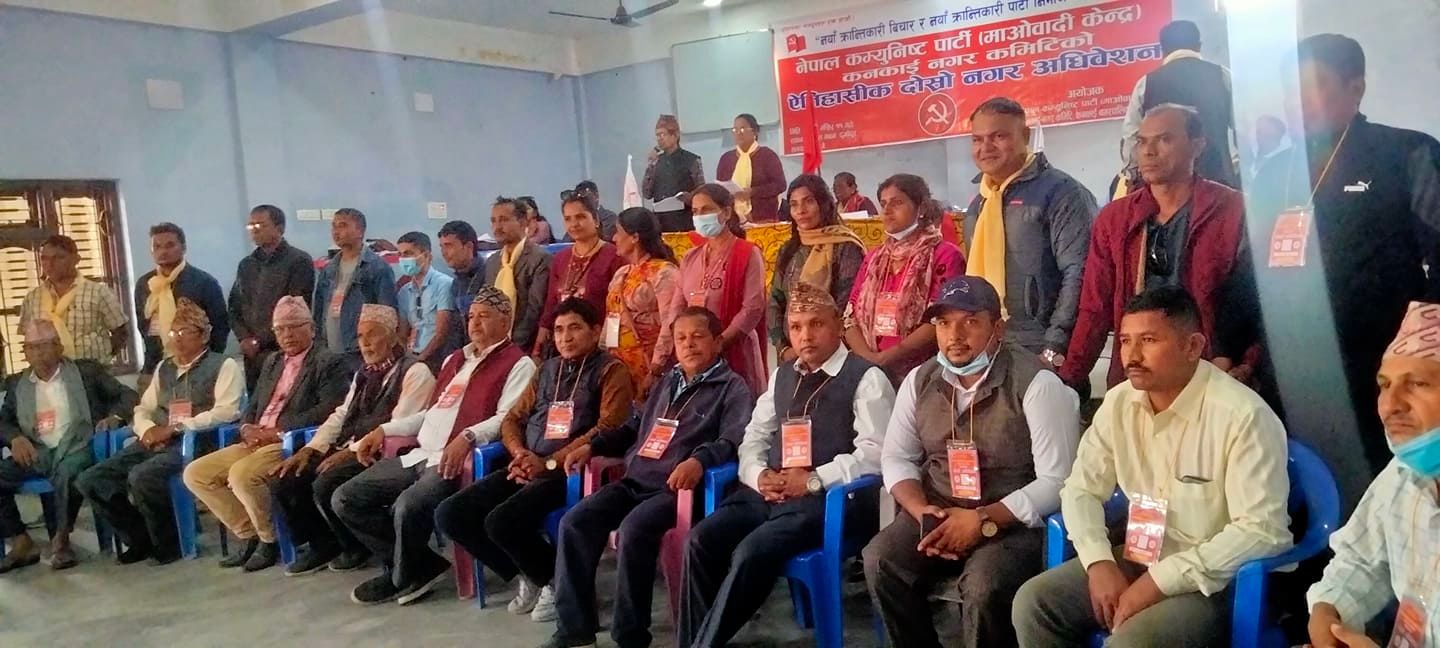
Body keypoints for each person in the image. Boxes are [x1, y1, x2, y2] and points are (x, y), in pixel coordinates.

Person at [1012, 287, 1292, 648]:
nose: (1132, 356)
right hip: (1142, 554)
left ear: (1192, 346)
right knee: (1034, 604)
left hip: (1219, 580)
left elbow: (1262, 531)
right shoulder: (1119, 402)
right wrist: (1098, 562)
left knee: (1130, 643)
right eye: (1125, 341)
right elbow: (1081, 488)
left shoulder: (1243, 416)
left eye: (1148, 340)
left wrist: (1157, 583)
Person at [1249, 34, 1440, 486]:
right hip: (1289, 371)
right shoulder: (1275, 172)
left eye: (1312, 87)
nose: (1297, 102)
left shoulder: (1406, 154)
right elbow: (1248, 271)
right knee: (1292, 488)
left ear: (1356, 89)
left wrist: (1420, 351)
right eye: (1288, 89)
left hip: (1376, 370)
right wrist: (1227, 346)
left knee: (1376, 490)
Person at [864, 276, 1079, 648]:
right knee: (881, 561)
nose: (955, 335)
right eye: (944, 323)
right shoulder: (920, 380)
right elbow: (897, 457)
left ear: (998, 328)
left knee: (984, 586)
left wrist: (982, 519)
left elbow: (1057, 480)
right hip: (939, 509)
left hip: (1011, 521)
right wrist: (921, 511)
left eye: (971, 321)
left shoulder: (1037, 384)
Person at [680, 283, 895, 647]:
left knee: (750, 552)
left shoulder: (866, 377)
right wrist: (757, 475)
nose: (805, 336)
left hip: (826, 502)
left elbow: (877, 454)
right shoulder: (783, 375)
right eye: (796, 327)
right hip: (768, 494)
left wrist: (814, 479)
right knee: (700, 540)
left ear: (837, 325)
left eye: (816, 324)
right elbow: (754, 436)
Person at [543, 307, 752, 648]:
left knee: (633, 530)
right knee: (575, 522)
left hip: (677, 490)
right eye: (681, 338)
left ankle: (630, 636)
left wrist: (699, 460)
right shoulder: (668, 381)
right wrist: (592, 447)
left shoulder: (732, 387)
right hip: (635, 480)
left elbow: (732, 439)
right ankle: (575, 629)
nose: (689, 345)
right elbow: (632, 426)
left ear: (717, 342)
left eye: (698, 337)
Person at [332, 290, 538, 606]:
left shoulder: (519, 363)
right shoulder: (456, 359)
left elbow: (507, 418)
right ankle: (417, 565)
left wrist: (467, 436)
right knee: (346, 497)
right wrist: (384, 429)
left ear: (505, 320)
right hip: (420, 453)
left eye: (484, 316)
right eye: (471, 317)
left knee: (407, 506)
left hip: (457, 460)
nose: (474, 323)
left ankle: (404, 575)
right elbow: (431, 413)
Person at [435, 298, 632, 622]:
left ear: (596, 331)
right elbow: (512, 419)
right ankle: (530, 573)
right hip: (529, 462)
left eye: (574, 328)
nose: (565, 337)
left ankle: (556, 582)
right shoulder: (547, 370)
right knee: (452, 513)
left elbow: (608, 426)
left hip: (570, 471)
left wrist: (549, 462)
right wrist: (519, 453)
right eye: (559, 330)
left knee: (501, 521)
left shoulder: (611, 370)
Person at [1063, 105, 1257, 390]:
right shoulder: (1115, 218)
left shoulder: (1234, 209)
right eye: (1142, 142)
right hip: (1136, 372)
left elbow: (1253, 298)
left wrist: (1248, 364)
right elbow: (1095, 306)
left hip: (1213, 370)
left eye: (1164, 139)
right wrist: (1069, 377)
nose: (1148, 152)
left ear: (1197, 145)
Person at [1305, 301, 1440, 648]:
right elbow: (1362, 559)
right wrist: (1329, 610)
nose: (1390, 405)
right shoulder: (1403, 474)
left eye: (1418, 383)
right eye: (1385, 385)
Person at [181, 297, 348, 572]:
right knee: (196, 473)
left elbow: (329, 408)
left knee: (241, 475)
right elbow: (254, 403)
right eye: (280, 329)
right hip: (256, 440)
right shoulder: (272, 361)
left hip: (288, 442)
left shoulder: (328, 361)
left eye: (294, 327)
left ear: (312, 328)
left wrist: (278, 430)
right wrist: (247, 427)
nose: (287, 334)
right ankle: (250, 534)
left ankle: (269, 540)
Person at [269, 304, 435, 576]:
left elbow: (398, 426)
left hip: (384, 452)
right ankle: (324, 544)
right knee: (287, 479)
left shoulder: (415, 371)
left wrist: (350, 451)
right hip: (352, 445)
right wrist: (311, 448)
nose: (365, 343)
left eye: (373, 334)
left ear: (393, 336)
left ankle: (357, 546)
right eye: (360, 336)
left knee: (326, 481)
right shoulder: (364, 373)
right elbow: (342, 414)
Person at [75, 299, 243, 565]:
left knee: (143, 476)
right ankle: (139, 538)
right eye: (173, 333)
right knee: (92, 479)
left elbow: (226, 412)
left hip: (197, 442)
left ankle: (169, 544)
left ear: (203, 336)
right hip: (156, 440)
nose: (177, 339)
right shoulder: (165, 367)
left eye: (185, 332)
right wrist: (148, 429)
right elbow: (144, 408)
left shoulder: (223, 365)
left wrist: (177, 428)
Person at [965, 97, 1095, 370]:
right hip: (990, 348)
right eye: (977, 139)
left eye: (998, 136)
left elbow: (1079, 272)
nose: (985, 147)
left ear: (1025, 136)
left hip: (1041, 345)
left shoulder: (1061, 192)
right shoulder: (979, 204)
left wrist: (1055, 346)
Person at [0, 319, 136, 572]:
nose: (39, 353)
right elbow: (4, 421)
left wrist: (115, 417)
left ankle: (61, 539)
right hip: (37, 450)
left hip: (79, 444)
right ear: (25, 352)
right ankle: (20, 540)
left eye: (44, 345)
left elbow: (127, 395)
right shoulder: (17, 383)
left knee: (67, 471)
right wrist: (15, 438)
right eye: (32, 347)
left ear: (59, 347)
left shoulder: (86, 372)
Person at [846, 174, 966, 385]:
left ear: (921, 208)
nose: (887, 210)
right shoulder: (874, 258)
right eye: (883, 204)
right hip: (870, 370)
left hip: (923, 371)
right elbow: (850, 316)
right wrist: (868, 359)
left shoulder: (944, 254)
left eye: (897, 202)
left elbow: (941, 317)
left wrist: (888, 356)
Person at [660, 184, 768, 397]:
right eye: (695, 211)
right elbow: (677, 307)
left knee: (738, 408)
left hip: (735, 349)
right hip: (695, 353)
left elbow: (753, 308)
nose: (700, 216)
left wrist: (718, 344)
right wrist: (680, 341)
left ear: (726, 212)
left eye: (707, 210)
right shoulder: (690, 257)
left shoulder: (747, 253)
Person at [1121, 20, 1238, 188]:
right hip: (1218, 181)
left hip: (1165, 187)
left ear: (1162, 50)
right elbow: (1243, 130)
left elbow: (1131, 136)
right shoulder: (1222, 76)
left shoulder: (1146, 83)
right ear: (1199, 46)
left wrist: (1133, 177)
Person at [771, 175, 867, 364]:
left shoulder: (846, 247)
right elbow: (775, 300)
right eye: (794, 205)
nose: (801, 210)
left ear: (823, 204)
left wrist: (811, 342)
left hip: (834, 352)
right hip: (790, 353)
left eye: (808, 201)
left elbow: (845, 306)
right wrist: (783, 348)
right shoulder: (789, 250)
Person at [230, 204, 316, 392]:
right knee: (257, 402)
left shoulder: (298, 261)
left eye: (260, 225)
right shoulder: (246, 265)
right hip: (252, 354)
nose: (254, 230)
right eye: (251, 226)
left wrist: (259, 341)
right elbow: (234, 307)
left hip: (283, 349)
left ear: (280, 228)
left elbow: (296, 308)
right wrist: (244, 338)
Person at [134, 223, 228, 385]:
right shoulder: (145, 284)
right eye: (157, 247)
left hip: (198, 365)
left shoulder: (202, 282)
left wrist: (207, 362)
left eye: (170, 245)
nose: (163, 251)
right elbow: (143, 325)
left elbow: (221, 327)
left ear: (183, 248)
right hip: (155, 364)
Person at [534, 195, 625, 360]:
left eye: (580, 217)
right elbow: (551, 306)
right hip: (564, 346)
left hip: (599, 347)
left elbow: (617, 310)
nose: (574, 224)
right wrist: (537, 350)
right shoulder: (560, 259)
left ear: (595, 220)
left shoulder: (614, 256)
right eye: (568, 219)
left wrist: (610, 349)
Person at [605, 207, 679, 399]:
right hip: (620, 369)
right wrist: (607, 358)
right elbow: (612, 318)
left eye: (618, 232)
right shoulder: (621, 274)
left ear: (634, 237)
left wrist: (656, 367)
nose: (614, 238)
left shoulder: (664, 273)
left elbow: (670, 323)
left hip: (651, 366)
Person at [19, 234, 128, 365]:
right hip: (50, 371)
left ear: (76, 259)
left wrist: (101, 360)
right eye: (44, 258)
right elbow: (29, 338)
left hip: (91, 370)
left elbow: (121, 333)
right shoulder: (33, 298)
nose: (50, 264)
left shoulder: (98, 292)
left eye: (58, 258)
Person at [313, 208, 398, 366]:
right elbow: (318, 311)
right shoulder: (328, 269)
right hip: (329, 352)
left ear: (360, 231)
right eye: (334, 226)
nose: (336, 231)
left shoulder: (377, 268)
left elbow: (387, 314)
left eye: (342, 226)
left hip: (359, 352)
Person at [487, 196, 553, 354]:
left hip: (525, 347)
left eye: (503, 220)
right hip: (493, 345)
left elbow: (534, 310)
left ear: (523, 223)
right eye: (493, 221)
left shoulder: (540, 258)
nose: (497, 227)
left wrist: (510, 348)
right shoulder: (493, 262)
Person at [396, 231, 456, 375]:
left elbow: (442, 332)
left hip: (437, 357)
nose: (403, 259)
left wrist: (422, 359)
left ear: (427, 255)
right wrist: (408, 356)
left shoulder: (444, 284)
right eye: (401, 254)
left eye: (408, 253)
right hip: (412, 356)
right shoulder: (404, 291)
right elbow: (402, 332)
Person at [716, 113, 786, 224]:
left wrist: (753, 192)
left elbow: (780, 185)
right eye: (735, 130)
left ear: (755, 131)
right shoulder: (726, 159)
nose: (738, 133)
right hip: (733, 219)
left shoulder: (767, 155)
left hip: (763, 217)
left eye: (742, 129)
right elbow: (719, 189)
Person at [643, 114, 706, 232]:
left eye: (663, 134)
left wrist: (690, 197)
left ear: (675, 135)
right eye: (657, 135)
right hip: (661, 222)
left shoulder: (692, 160)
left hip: (685, 220)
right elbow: (647, 193)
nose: (659, 139)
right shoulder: (656, 161)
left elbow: (702, 190)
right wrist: (651, 165)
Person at [1248, 115, 1292, 183]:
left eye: (1265, 133)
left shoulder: (1285, 163)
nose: (1258, 136)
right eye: (1258, 131)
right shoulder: (1247, 158)